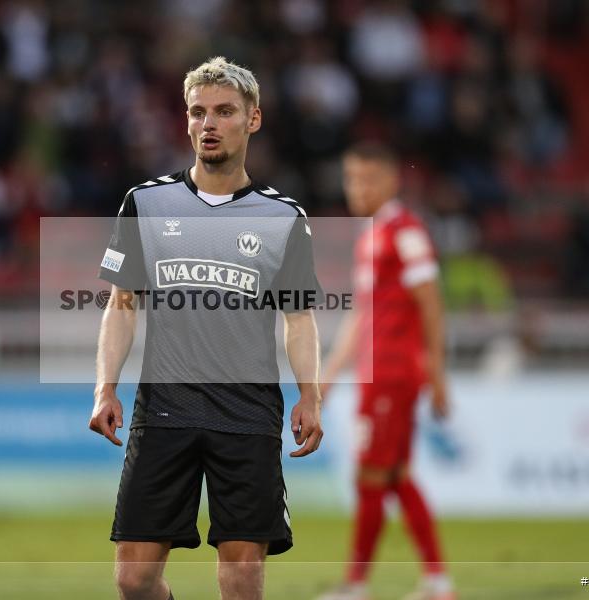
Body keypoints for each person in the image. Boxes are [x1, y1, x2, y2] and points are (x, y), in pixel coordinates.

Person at [89, 57, 325, 600]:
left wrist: (310, 395)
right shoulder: (145, 203)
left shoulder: (283, 217)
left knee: (242, 582)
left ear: (253, 119)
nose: (208, 123)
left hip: (247, 412)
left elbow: (299, 316)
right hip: (165, 409)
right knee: (133, 580)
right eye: (198, 112)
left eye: (224, 111)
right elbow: (122, 305)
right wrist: (105, 387)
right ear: (186, 120)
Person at [318, 143, 455, 600]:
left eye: (368, 179)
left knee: (370, 477)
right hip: (377, 372)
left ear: (393, 181)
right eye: (352, 178)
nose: (358, 188)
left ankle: (356, 586)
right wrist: (331, 369)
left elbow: (431, 302)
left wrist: (437, 371)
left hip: (393, 373)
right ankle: (438, 581)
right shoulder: (371, 235)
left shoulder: (406, 230)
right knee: (395, 475)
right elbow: (363, 312)